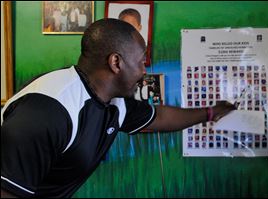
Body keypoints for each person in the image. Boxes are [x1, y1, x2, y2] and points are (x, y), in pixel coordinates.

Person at [1, 18, 235, 198]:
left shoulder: (113, 101)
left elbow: (159, 116)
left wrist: (211, 113)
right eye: (141, 61)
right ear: (116, 62)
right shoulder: (48, 112)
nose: (144, 71)